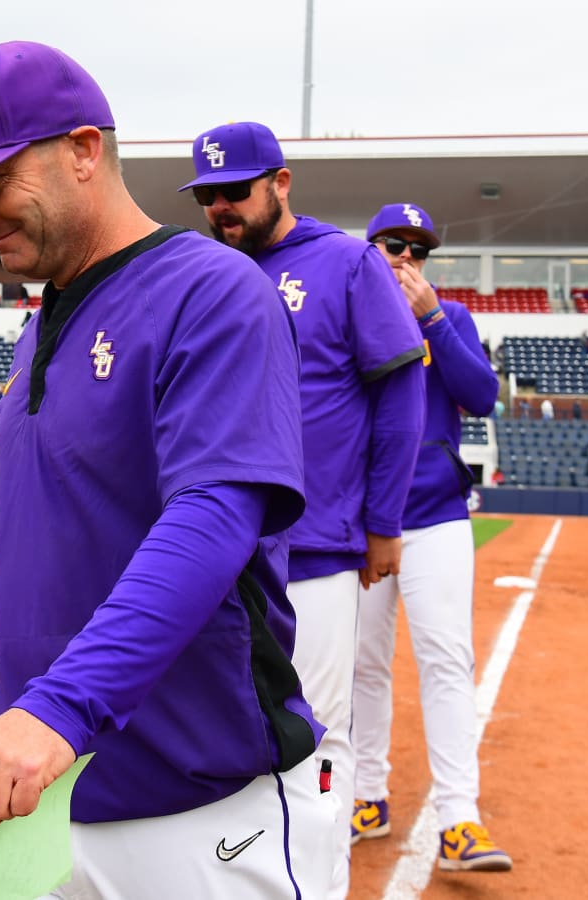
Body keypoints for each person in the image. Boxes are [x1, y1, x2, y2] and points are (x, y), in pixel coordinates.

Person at [0, 41, 331, 897]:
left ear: (84, 150)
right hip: (44, 799)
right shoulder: (42, 321)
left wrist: (59, 707)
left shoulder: (214, 289)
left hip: (197, 811)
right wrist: (29, 712)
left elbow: (212, 516)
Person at [180, 124, 426, 898]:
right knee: (229, 730)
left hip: (314, 546)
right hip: (217, 551)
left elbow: (401, 390)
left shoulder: (346, 261)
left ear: (281, 183)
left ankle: (320, 884)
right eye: (209, 195)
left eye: (237, 191)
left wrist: (384, 521)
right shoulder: (204, 270)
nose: (222, 206)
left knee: (317, 737)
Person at [351, 203, 512, 872]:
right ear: (370, 249)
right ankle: (366, 796)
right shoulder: (346, 310)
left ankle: (460, 819)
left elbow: (481, 395)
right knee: (360, 664)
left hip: (436, 513)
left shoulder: (451, 317)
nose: (408, 259)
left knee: (447, 659)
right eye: (395, 245)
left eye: (419, 250)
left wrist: (434, 320)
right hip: (362, 519)